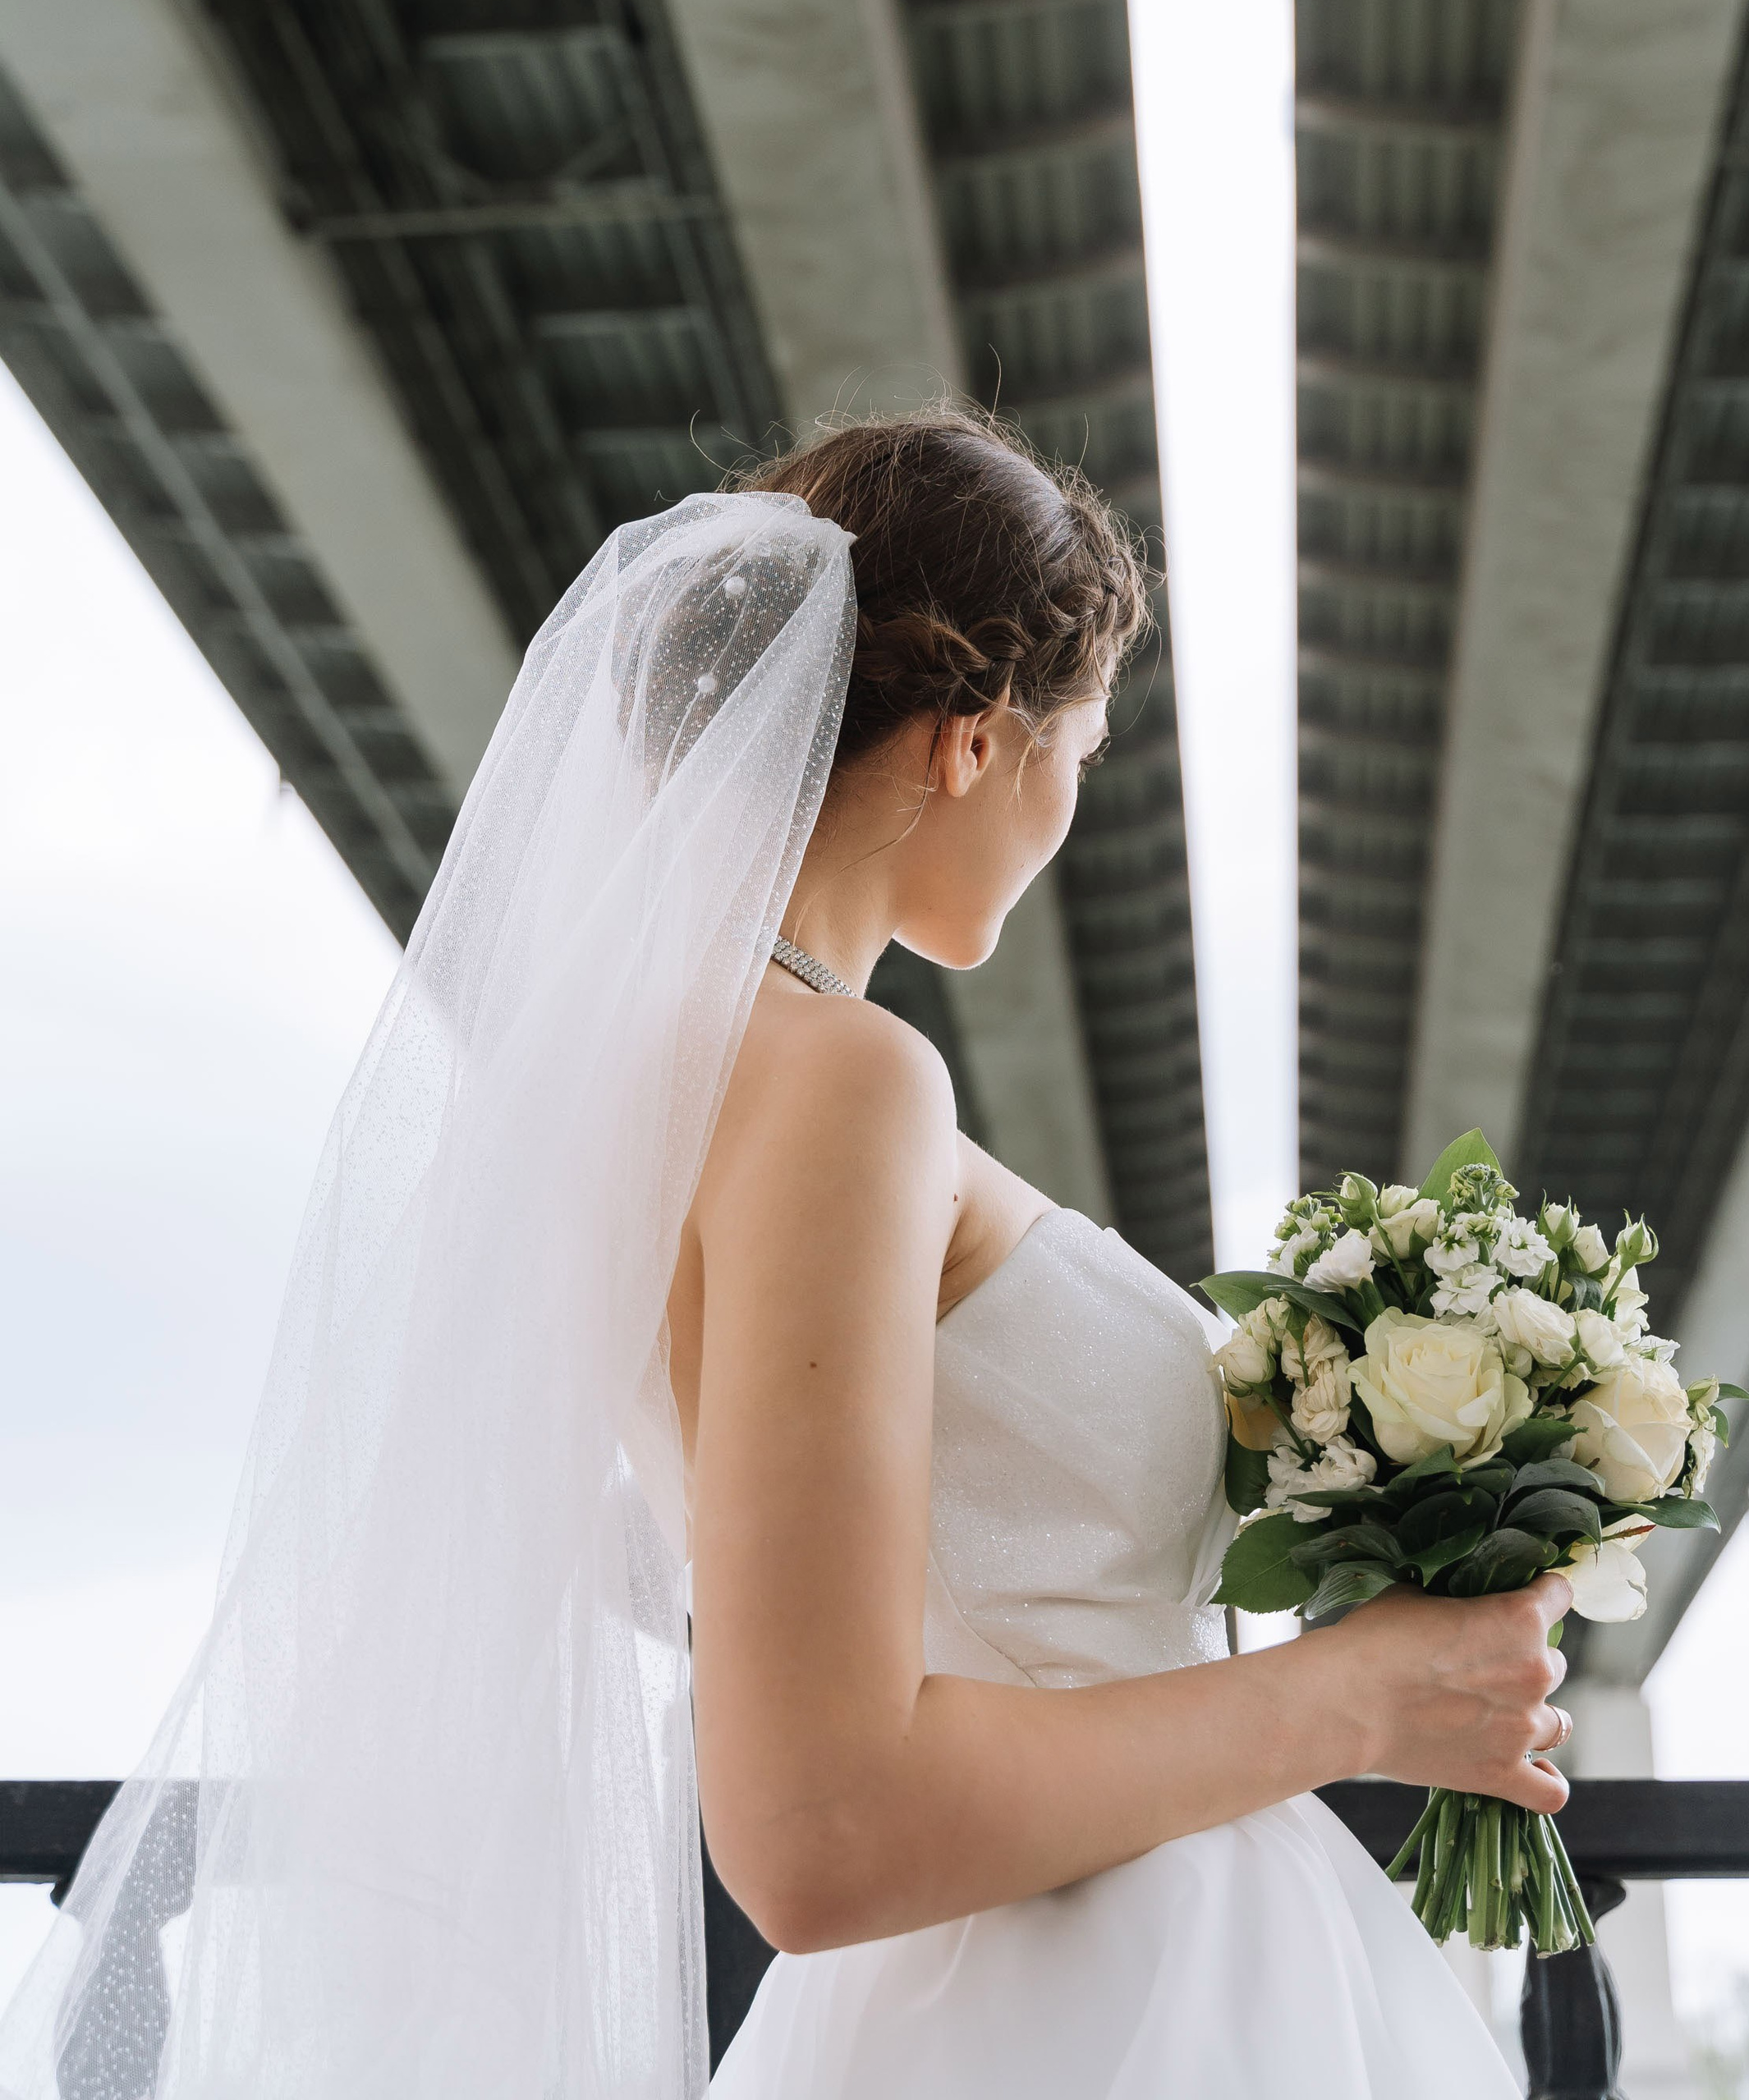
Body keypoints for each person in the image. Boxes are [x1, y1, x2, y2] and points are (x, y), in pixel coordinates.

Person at [0, 406, 1567, 2100]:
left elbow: (777, 1587)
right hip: (1094, 2014)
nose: (1068, 813)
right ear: (971, 742)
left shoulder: (654, 1089)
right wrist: (1367, 1695)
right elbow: (818, 1826)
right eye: (1083, 749)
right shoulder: (842, 1082)